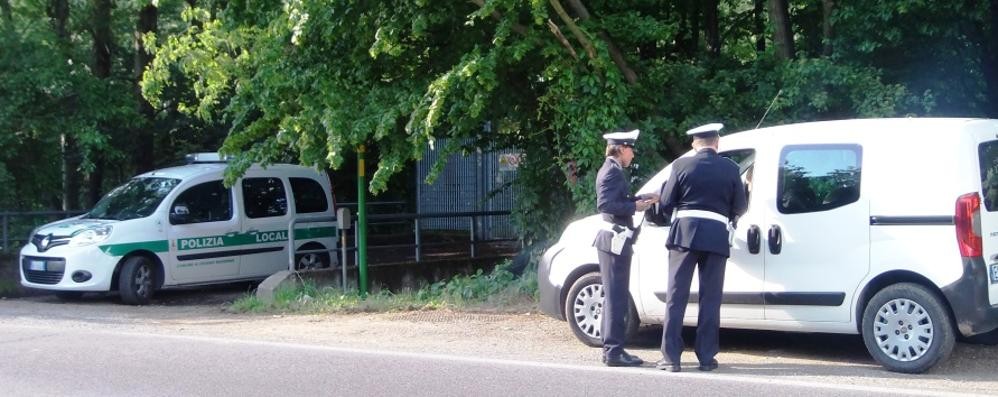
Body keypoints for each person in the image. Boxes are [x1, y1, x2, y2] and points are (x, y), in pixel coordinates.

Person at [655, 123, 748, 372]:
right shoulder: (731, 169)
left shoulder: (681, 166)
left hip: (684, 236)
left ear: (694, 144)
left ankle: (671, 358)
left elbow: (666, 202)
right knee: (710, 298)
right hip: (716, 236)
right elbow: (740, 206)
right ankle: (707, 358)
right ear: (717, 143)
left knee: (676, 297)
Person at [592, 128, 658, 367]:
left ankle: (613, 348)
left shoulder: (614, 169)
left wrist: (639, 200)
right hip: (613, 240)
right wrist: (635, 208)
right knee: (616, 297)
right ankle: (613, 351)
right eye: (631, 149)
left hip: (616, 240)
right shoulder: (612, 171)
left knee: (615, 296)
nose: (633, 154)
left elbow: (617, 201)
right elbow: (606, 204)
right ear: (620, 149)